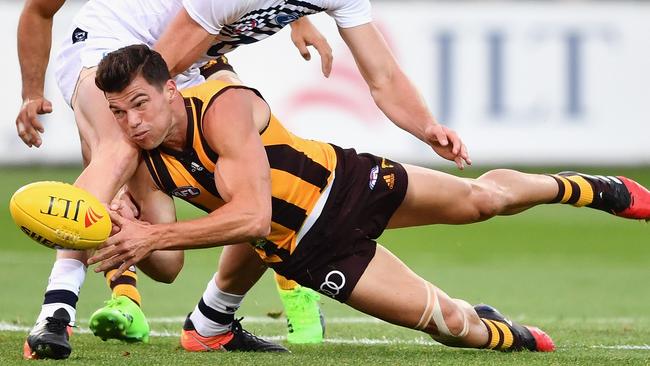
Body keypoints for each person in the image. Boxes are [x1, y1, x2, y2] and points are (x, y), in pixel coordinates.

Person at [89, 45, 650, 353]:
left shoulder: (222, 107)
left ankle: (585, 188)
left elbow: (251, 213)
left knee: (482, 200)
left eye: (140, 104)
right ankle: (507, 333)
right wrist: (122, 239)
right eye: (118, 113)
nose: (132, 122)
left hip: (349, 180)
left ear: (170, 90)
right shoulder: (144, 161)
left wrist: (153, 234)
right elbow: (167, 264)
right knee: (451, 325)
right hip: (315, 254)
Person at [16, 0, 332, 359]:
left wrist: (298, 17)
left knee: (259, 167)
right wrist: (31, 93)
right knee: (120, 147)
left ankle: (219, 316)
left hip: (184, 56)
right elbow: (39, 9)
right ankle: (57, 312)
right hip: (111, 39)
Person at [154, 0, 470, 171]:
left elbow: (384, 77)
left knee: (264, 179)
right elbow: (152, 70)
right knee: (129, 175)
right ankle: (126, 290)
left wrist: (426, 127)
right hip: (138, 50)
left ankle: (241, 287)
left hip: (190, 62)